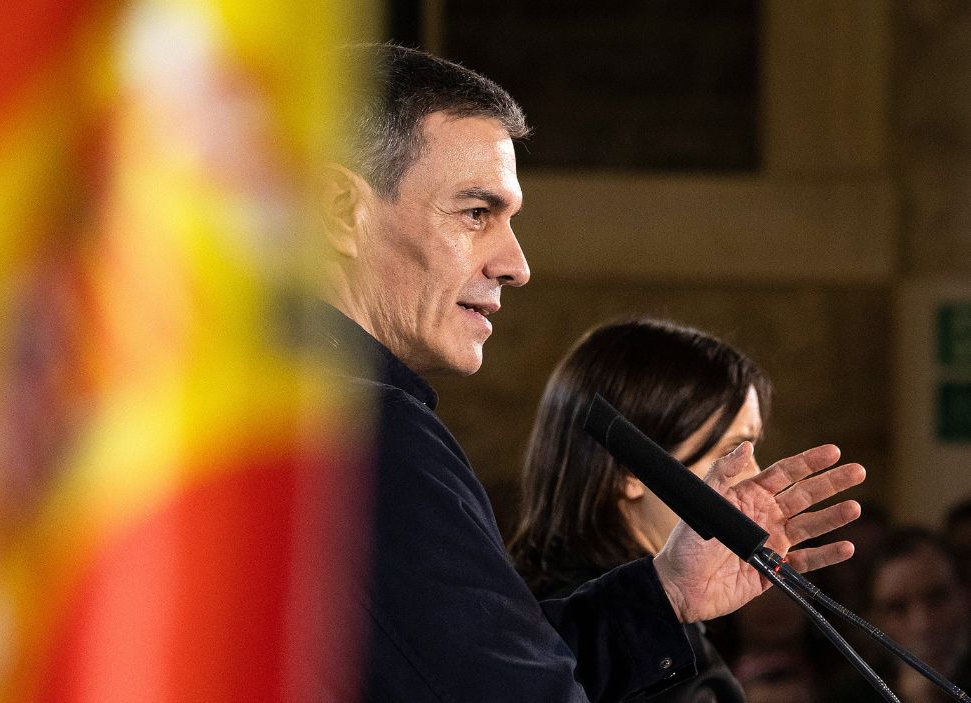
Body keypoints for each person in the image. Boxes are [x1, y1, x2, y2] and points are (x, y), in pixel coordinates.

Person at [314, 43, 865, 701]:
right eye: (475, 213)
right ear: (341, 210)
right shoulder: (362, 430)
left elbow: (484, 670)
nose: (515, 264)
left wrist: (666, 594)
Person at [508, 318, 772, 701]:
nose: (754, 475)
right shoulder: (620, 634)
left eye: (752, 450)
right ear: (630, 470)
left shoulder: (529, 601)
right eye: (731, 452)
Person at [824, 528, 971, 702]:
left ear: (965, 595)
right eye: (897, 609)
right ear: (872, 619)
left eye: (937, 598)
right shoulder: (850, 696)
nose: (923, 625)